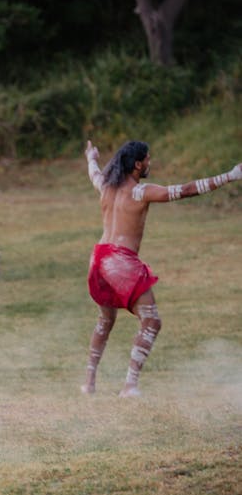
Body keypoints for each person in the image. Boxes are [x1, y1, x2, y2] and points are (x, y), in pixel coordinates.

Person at [82, 140, 240, 397]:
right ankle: (130, 385)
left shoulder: (106, 187)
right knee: (151, 321)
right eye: (147, 159)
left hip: (98, 259)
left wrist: (91, 157)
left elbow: (94, 173)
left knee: (106, 320)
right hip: (120, 261)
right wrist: (230, 175)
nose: (150, 163)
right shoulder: (140, 192)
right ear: (137, 165)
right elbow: (187, 190)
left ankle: (89, 382)